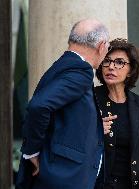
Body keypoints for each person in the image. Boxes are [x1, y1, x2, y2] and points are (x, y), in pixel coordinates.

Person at [16, 18, 110, 189]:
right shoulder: (81, 72)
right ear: (101, 46)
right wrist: (32, 152)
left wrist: (95, 126)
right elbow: (39, 106)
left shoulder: (64, 65)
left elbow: (61, 115)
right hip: (65, 177)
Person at [94, 38, 139, 189]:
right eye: (107, 61)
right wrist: (94, 129)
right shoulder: (90, 98)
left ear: (130, 70)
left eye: (119, 62)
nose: (111, 67)